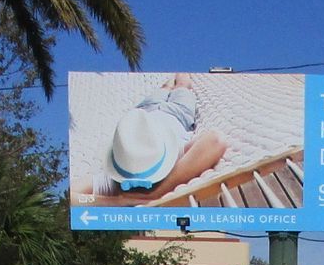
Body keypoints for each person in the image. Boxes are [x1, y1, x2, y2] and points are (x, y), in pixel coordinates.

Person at [79, 73, 228, 204]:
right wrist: (118, 201)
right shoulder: (171, 157)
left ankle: (174, 76)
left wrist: (152, 194)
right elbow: (215, 141)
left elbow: (73, 195)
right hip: (177, 113)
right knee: (182, 84)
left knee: (166, 87)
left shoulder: (115, 178)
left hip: (143, 113)